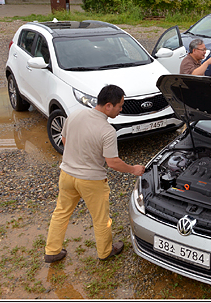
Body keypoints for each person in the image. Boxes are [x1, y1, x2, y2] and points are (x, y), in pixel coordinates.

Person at [44, 85, 146, 263]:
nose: (121, 110)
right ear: (108, 105)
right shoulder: (107, 131)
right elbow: (112, 162)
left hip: (67, 174)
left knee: (61, 213)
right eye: (120, 106)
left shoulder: (75, 114)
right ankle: (105, 251)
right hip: (91, 181)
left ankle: (52, 251)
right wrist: (133, 169)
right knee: (101, 219)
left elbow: (64, 139)